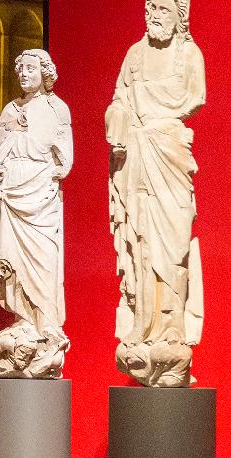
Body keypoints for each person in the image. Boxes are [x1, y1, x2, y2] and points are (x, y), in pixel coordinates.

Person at [106, 0, 205, 387]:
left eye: (162, 9)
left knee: (173, 244)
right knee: (142, 246)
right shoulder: (134, 55)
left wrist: (148, 107)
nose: (153, 16)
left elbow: (195, 98)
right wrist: (118, 120)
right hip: (139, 158)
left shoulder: (189, 54)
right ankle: (145, 328)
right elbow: (118, 99)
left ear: (180, 15)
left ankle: (173, 328)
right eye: (149, 10)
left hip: (170, 152)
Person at [0, 48, 73, 379]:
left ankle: (45, 329)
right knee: (10, 265)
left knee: (43, 264)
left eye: (31, 69)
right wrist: (14, 135)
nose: (24, 74)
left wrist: (38, 159)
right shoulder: (10, 110)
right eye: (20, 69)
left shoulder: (57, 109)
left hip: (41, 198)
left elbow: (65, 160)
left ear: (44, 72)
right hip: (12, 190)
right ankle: (23, 319)